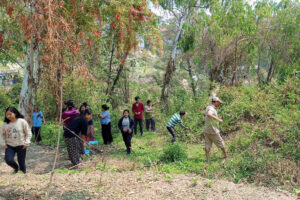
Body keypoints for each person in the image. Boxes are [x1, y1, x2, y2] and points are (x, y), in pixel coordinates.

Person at [0, 107, 32, 173]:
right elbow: (1, 135)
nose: (8, 116)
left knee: (21, 162)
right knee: (8, 160)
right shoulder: (5, 124)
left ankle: (22, 174)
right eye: (7, 114)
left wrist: (27, 142)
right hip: (10, 146)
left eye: (10, 114)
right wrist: (3, 144)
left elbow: (28, 132)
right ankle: (16, 168)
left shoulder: (22, 121)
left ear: (15, 113)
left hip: (21, 145)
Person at [204, 97, 227, 162]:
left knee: (207, 144)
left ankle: (207, 159)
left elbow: (206, 114)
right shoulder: (211, 109)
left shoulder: (208, 107)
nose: (219, 104)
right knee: (221, 143)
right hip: (213, 130)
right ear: (215, 102)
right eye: (218, 103)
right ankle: (226, 156)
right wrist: (218, 120)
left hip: (206, 130)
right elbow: (209, 114)